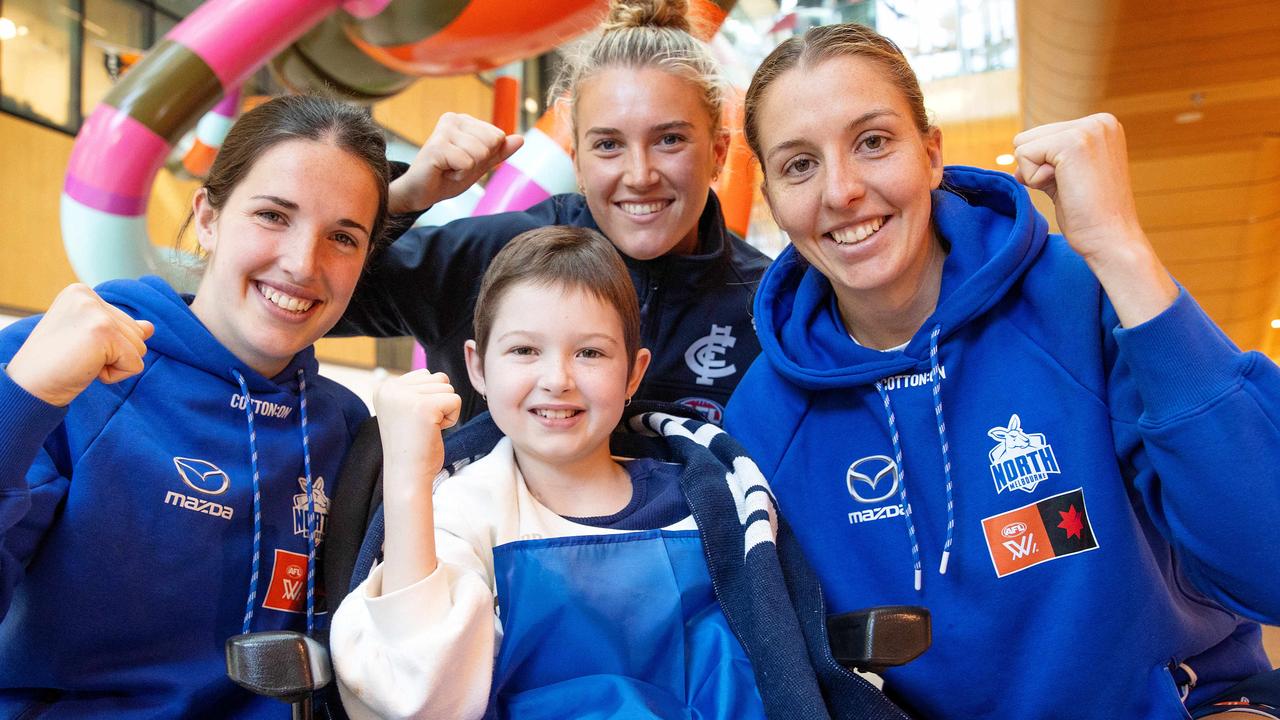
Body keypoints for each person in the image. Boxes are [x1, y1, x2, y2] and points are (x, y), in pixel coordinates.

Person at [724, 22, 1280, 720]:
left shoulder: (1076, 298)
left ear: (930, 155)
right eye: (799, 164)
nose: (842, 190)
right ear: (772, 198)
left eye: (872, 142)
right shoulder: (763, 422)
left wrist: (1121, 250)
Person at [329, 226, 907, 720]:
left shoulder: (709, 506)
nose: (557, 378)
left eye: (590, 353)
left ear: (635, 374)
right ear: (477, 366)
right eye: (525, 351)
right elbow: (417, 695)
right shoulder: (461, 513)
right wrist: (409, 477)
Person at [0, 95, 388, 718]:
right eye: (272, 215)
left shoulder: (343, 425)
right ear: (207, 217)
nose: (301, 263)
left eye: (342, 236)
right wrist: (21, 402)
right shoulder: (61, 367)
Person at [336, 0, 769, 424]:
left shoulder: (767, 303)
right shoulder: (493, 256)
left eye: (669, 140)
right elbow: (307, 294)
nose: (640, 175)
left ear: (718, 152)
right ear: (577, 160)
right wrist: (403, 198)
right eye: (608, 145)